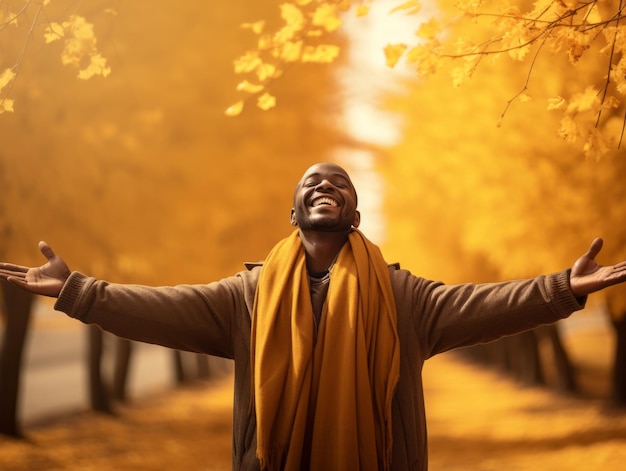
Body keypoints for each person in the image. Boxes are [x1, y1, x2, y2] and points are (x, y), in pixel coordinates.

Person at [1, 161, 626, 471]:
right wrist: (75, 290)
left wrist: (561, 288)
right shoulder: (244, 297)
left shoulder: (404, 297)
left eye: (341, 184)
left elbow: (486, 305)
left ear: (354, 215)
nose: (325, 185)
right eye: (311, 182)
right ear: (294, 212)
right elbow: (156, 310)